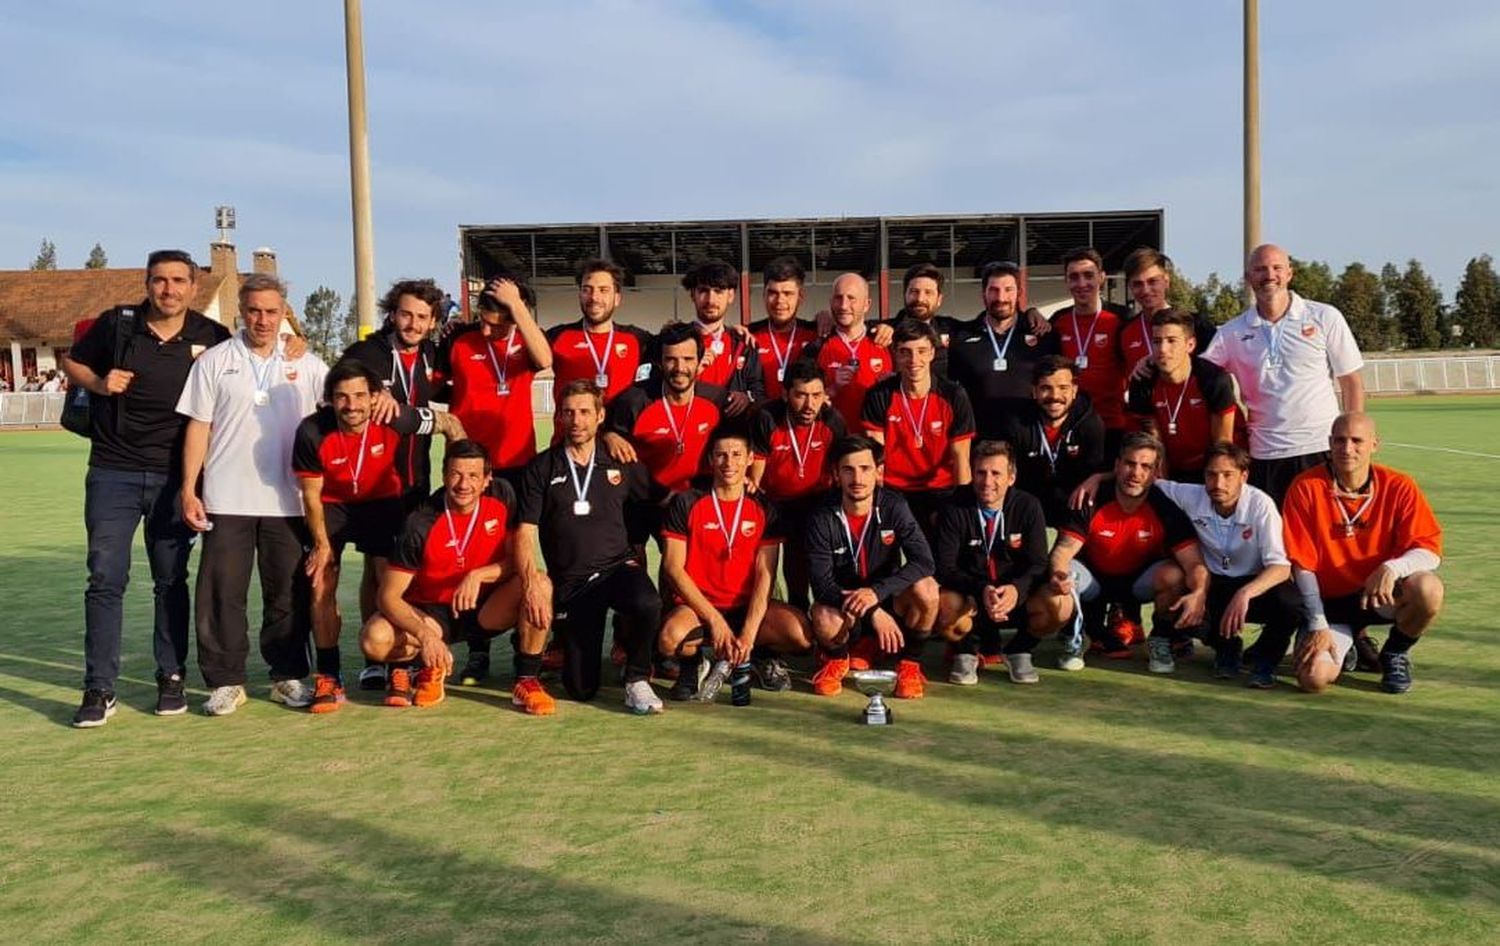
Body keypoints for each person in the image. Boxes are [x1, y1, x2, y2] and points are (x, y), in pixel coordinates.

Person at [61, 249, 232, 727]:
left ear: (193, 287)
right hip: (112, 471)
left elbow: (251, 364)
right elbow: (73, 363)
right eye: (160, 280)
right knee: (105, 578)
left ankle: (171, 676)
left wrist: (293, 349)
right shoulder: (119, 324)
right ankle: (99, 688)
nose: (169, 290)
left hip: (177, 478)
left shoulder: (212, 336)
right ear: (147, 282)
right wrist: (98, 381)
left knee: (171, 580)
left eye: (179, 281)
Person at [177, 273, 328, 716]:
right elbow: (198, 426)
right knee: (223, 594)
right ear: (241, 312)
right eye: (254, 310)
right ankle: (226, 681)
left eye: (271, 311)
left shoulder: (308, 363)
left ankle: (287, 676)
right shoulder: (215, 361)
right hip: (227, 498)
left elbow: (337, 414)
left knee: (288, 592)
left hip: (289, 501)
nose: (262, 319)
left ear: (284, 313)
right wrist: (190, 488)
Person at [293, 360, 459, 712]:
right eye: (341, 397)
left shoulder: (394, 417)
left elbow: (448, 423)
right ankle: (328, 675)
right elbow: (310, 494)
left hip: (383, 504)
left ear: (373, 397)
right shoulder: (311, 431)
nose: (351, 406)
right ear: (329, 400)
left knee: (391, 584)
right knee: (321, 581)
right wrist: (321, 545)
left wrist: (460, 466)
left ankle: (398, 670)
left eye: (358, 396)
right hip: (333, 505)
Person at [516, 380, 666, 714]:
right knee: (581, 688)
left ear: (600, 416)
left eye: (585, 412)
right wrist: (532, 583)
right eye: (568, 412)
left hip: (616, 568)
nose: (576, 420)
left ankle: (637, 679)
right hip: (573, 584)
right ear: (558, 416)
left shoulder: (620, 459)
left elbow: (663, 500)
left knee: (647, 601)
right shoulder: (541, 468)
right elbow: (525, 532)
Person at [335, 277, 449, 692]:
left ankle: (408, 651)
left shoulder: (434, 356)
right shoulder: (367, 354)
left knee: (411, 570)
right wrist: (418, 417)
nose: (413, 323)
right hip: (374, 482)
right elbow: (353, 400)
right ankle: (374, 659)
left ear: (433, 321)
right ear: (392, 313)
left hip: (417, 479)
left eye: (422, 317)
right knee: (380, 567)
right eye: (406, 314)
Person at [360, 440, 535, 709]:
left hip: (486, 607)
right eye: (456, 474)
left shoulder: (503, 495)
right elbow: (388, 596)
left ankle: (527, 679)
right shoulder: (420, 523)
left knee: (539, 585)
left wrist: (478, 575)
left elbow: (516, 561)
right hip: (431, 615)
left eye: (473, 476)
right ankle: (425, 666)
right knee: (374, 639)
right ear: (443, 475)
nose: (464, 484)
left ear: (488, 479)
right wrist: (425, 635)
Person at [1280, 413, 1443, 695]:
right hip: (1330, 605)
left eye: (1357, 441)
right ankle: (1346, 642)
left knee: (1428, 589)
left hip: (1379, 597)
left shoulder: (1399, 485)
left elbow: (1430, 551)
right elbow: (1302, 565)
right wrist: (1318, 624)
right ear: (1329, 443)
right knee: (1313, 679)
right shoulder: (1306, 487)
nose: (1347, 449)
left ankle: (1395, 653)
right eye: (1340, 440)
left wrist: (1391, 568)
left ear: (1374, 445)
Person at [440, 276, 551, 685]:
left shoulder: (526, 339)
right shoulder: (459, 341)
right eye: (483, 321)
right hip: (471, 468)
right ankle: (478, 649)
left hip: (518, 465)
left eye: (496, 323)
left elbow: (545, 361)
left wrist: (516, 307)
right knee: (472, 553)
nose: (487, 330)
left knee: (517, 553)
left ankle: (530, 649)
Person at [1023, 433, 1208, 674]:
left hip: (1138, 583)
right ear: (1117, 465)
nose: (1136, 473)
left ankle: (1161, 639)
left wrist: (1200, 592)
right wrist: (1059, 574)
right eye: (1130, 464)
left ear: (1155, 473)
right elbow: (1064, 549)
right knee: (1062, 580)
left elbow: (1194, 562)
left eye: (1145, 467)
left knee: (1175, 575)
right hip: (1093, 581)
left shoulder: (1166, 508)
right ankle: (1076, 637)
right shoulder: (1090, 499)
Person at [1201, 243, 1365, 504]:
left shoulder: (1325, 316)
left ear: (1290, 273)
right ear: (1248, 277)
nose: (1269, 275)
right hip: (1266, 454)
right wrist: (1152, 361)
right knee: (1276, 537)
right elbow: (1195, 372)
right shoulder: (1231, 332)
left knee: (1325, 535)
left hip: (1320, 448)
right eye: (1260, 269)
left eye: (1277, 268)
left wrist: (1356, 440)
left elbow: (1351, 381)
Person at [659, 424, 813, 701]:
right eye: (721, 455)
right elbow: (672, 567)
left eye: (736, 454)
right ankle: (693, 666)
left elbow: (766, 575)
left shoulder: (765, 507)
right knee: (669, 639)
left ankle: (758, 656)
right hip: (698, 608)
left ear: (750, 458)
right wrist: (715, 621)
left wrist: (749, 635)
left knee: (800, 634)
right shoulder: (687, 502)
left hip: (744, 606)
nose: (728, 463)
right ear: (710, 460)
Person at [1145, 443, 1300, 685]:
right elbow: (1142, 480)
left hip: (1253, 586)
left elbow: (1281, 567)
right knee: (1179, 604)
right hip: (1213, 584)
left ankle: (1265, 661)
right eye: (1211, 474)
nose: (1218, 484)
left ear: (1244, 476)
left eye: (1228, 475)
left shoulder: (1261, 505)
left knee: (1290, 601)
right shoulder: (1191, 495)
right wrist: (1099, 478)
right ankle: (1225, 648)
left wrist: (1245, 593)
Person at [804, 435, 939, 699]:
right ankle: (837, 658)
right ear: (836, 474)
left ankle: (910, 663)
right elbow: (821, 584)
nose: (857, 478)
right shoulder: (821, 516)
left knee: (928, 589)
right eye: (848, 470)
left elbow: (924, 561)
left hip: (889, 600)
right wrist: (873, 611)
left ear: (879, 472)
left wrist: (877, 593)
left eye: (865, 469)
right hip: (846, 608)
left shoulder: (894, 506)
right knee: (821, 614)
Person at [932, 441, 1048, 685]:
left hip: (1013, 597)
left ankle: (1019, 650)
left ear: (1011, 477)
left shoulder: (1028, 506)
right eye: (981, 473)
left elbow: (1038, 564)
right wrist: (980, 588)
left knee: (1060, 603)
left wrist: (1017, 589)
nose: (987, 482)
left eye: (996, 473)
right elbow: (944, 568)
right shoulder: (954, 507)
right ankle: (965, 651)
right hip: (971, 596)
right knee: (944, 603)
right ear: (972, 474)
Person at [860, 320, 975, 537]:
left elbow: (961, 459)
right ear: (895, 354)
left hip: (939, 491)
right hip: (894, 491)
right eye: (905, 352)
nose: (914, 360)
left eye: (921, 351)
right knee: (884, 562)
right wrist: (877, 504)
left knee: (943, 563)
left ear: (932, 353)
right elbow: (876, 459)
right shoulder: (879, 395)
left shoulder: (953, 395)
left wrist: (964, 509)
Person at [749, 358, 848, 609]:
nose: (809, 404)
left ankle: (827, 617)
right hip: (775, 501)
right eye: (801, 396)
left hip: (818, 501)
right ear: (785, 394)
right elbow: (755, 480)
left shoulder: (832, 420)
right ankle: (789, 613)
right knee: (772, 566)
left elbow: (841, 470)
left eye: (816, 395)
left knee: (814, 563)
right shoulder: (767, 418)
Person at [948, 261, 1060, 441]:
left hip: (1029, 440)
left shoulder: (1043, 335)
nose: (1001, 297)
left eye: (1008, 289)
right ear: (983, 294)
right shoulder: (962, 337)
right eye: (993, 290)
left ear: (1019, 293)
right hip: (979, 441)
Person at [1126, 308, 1237, 481]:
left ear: (1190, 345)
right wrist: (1166, 487)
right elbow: (1155, 445)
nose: (1162, 349)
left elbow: (1222, 445)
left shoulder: (1213, 380)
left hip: (1213, 469)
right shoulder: (1143, 381)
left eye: (1172, 341)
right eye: (1157, 341)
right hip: (1173, 468)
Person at [997, 356, 1106, 527]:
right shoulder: (1016, 424)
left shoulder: (1090, 424)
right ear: (1034, 391)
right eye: (1046, 388)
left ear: (1074, 390)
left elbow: (1101, 470)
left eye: (1063, 388)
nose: (1055, 396)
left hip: (1074, 509)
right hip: (1028, 509)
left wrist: (1098, 477)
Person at [1051, 247, 1130, 455]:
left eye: (1089, 275)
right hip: (1071, 425)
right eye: (1074, 277)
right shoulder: (1058, 321)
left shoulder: (1122, 318)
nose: (1082, 283)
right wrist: (1031, 312)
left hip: (1113, 424)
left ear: (1102, 277)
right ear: (1066, 281)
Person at [546, 258, 654, 405]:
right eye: (587, 289)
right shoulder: (557, 336)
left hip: (618, 428)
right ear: (579, 295)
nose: (594, 297)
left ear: (617, 298)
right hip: (571, 428)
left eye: (603, 290)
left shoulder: (637, 338)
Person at [808, 273, 891, 430]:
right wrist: (832, 389)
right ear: (831, 302)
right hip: (832, 443)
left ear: (867, 304)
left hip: (875, 442)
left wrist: (893, 383)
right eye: (838, 298)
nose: (843, 305)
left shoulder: (886, 341)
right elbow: (802, 400)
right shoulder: (816, 346)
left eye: (851, 298)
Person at [681, 258, 764, 414]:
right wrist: (689, 372)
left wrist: (746, 397)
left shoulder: (744, 343)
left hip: (730, 431)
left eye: (718, 291)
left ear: (731, 295)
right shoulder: (674, 342)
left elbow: (758, 390)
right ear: (692, 294)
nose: (711, 300)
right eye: (703, 290)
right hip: (689, 426)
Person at [1118, 247, 1217, 375]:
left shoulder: (1196, 325)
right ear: (1130, 287)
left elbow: (1215, 370)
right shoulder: (1124, 331)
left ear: (1166, 281)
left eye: (1153, 281)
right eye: (1138, 284)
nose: (1146, 290)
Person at [748, 256, 819, 402]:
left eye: (788, 293)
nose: (780, 301)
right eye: (773, 293)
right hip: (761, 421)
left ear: (800, 297)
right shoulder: (747, 335)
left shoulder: (816, 334)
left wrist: (878, 326)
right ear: (764, 295)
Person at [879, 263, 965, 379]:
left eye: (928, 292)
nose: (920, 299)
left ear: (939, 299)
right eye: (914, 292)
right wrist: (878, 329)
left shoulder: (952, 329)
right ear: (905, 294)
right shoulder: (884, 331)